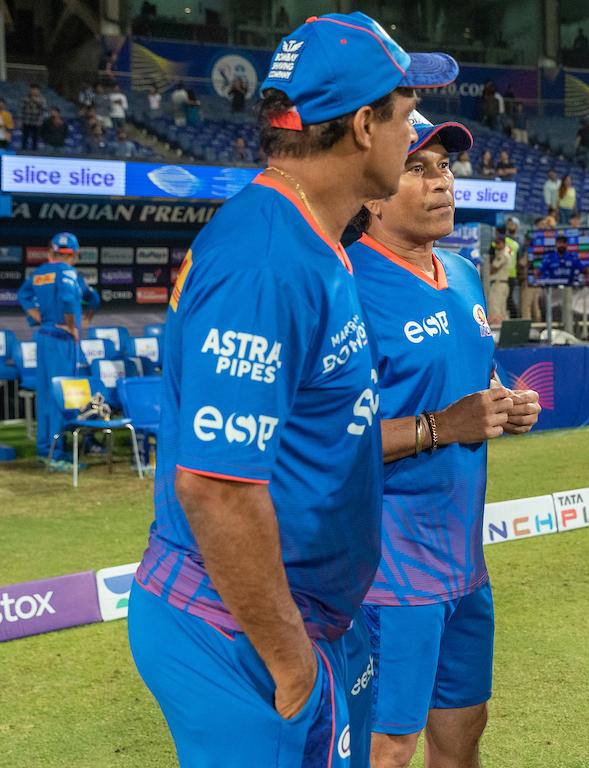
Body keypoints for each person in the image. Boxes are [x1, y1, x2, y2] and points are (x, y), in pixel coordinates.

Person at [126, 14, 457, 767]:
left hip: (306, 622)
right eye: (407, 118)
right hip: (244, 635)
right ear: (365, 125)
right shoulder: (267, 258)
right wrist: (290, 663)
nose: (417, 137)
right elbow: (215, 486)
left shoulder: (313, 239)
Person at [346, 117, 540, 768]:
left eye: (447, 168)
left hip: (464, 567)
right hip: (390, 574)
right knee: (387, 747)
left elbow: (468, 376)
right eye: (418, 167)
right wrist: (438, 427)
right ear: (372, 191)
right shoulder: (346, 285)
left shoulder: (459, 273)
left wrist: (503, 400)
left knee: (462, 740)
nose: (441, 182)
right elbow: (317, 443)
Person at [17, 232, 101, 469]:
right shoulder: (68, 272)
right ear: (74, 254)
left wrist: (39, 318)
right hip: (61, 339)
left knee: (46, 394)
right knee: (61, 394)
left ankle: (46, 449)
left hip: (44, 337)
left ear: (49, 251)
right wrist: (77, 326)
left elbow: (23, 295)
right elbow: (82, 300)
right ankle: (55, 454)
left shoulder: (40, 273)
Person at [488, 226, 515, 322]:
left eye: (498, 243)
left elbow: (493, 269)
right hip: (502, 283)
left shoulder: (503, 254)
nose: (496, 245)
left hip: (499, 284)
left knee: (495, 307)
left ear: (503, 243)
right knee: (502, 309)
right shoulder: (505, 252)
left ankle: (497, 330)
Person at [20, 85, 47, 150]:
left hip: (37, 123)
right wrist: (20, 119)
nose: (34, 91)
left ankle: (34, 153)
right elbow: (21, 109)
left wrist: (38, 102)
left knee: (35, 139)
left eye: (36, 90)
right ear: (30, 90)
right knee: (24, 138)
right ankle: (23, 153)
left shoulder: (42, 99)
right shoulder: (25, 98)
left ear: (39, 91)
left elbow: (45, 109)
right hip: (26, 121)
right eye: (33, 90)